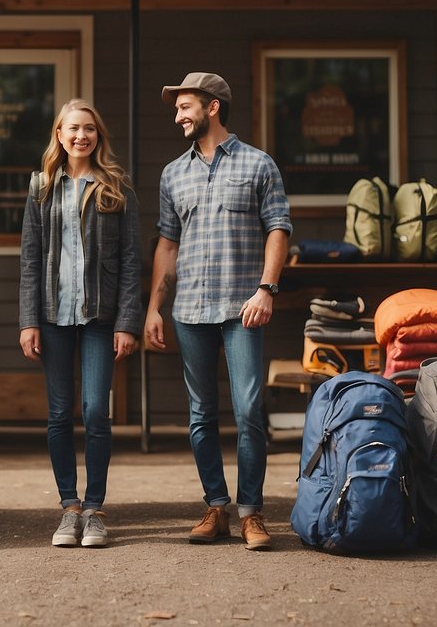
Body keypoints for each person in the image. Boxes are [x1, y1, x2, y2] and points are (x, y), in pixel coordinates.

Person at [145, 72, 291, 551]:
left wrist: (266, 289)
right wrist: (154, 308)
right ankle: (216, 507)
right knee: (200, 414)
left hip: (242, 307)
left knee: (249, 411)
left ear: (212, 107)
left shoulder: (258, 164)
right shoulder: (173, 173)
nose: (177, 116)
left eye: (184, 107)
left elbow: (278, 229)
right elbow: (167, 243)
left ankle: (251, 512)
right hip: (189, 309)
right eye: (176, 108)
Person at [19, 99, 143, 548]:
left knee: (94, 412)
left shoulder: (116, 188)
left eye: (89, 129)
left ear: (98, 135)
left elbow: (131, 261)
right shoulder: (41, 187)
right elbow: (31, 258)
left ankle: (94, 509)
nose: (81, 136)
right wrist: (27, 321)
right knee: (58, 414)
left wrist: (127, 322)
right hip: (52, 316)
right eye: (73, 129)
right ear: (59, 134)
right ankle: (68, 508)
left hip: (98, 317)